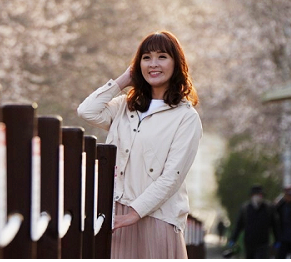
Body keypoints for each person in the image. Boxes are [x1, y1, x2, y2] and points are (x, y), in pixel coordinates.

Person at [77, 30, 202, 259]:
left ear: (176, 63)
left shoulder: (186, 117)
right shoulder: (125, 106)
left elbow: (171, 176)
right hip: (116, 215)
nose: (154, 64)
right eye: (146, 57)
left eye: (162, 56)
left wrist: (135, 212)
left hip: (157, 217)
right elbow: (86, 111)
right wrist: (123, 80)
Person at [229, 185, 278, 259]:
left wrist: (277, 239)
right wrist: (233, 239)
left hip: (263, 243)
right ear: (252, 196)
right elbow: (239, 225)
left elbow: (275, 225)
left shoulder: (268, 208)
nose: (258, 197)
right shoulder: (245, 208)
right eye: (257, 195)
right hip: (249, 243)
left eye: (260, 195)